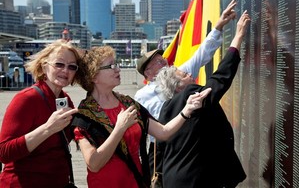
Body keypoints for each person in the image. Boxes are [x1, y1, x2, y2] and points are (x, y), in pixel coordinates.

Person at [70, 46, 211, 188]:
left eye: (117, 65)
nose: (118, 69)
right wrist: (119, 128)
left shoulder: (128, 103)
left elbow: (163, 132)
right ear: (93, 76)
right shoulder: (85, 115)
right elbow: (94, 164)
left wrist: (186, 110)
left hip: (135, 182)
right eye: (111, 66)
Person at [134, 0, 238, 179]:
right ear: (148, 73)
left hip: (187, 140)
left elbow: (203, 53)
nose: (165, 62)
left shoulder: (179, 75)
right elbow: (139, 128)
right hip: (161, 147)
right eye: (159, 62)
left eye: (163, 59)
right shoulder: (142, 96)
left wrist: (219, 25)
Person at [153, 11, 250, 188]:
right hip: (195, 180)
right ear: (178, 86)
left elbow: (159, 150)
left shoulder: (166, 109)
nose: (190, 74)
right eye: (184, 75)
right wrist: (238, 37)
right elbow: (221, 78)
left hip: (172, 180)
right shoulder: (192, 94)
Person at [0, 39, 80, 187]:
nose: (65, 70)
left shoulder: (64, 99)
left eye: (72, 66)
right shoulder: (26, 98)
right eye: (59, 64)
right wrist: (48, 128)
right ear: (44, 67)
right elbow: (4, 152)